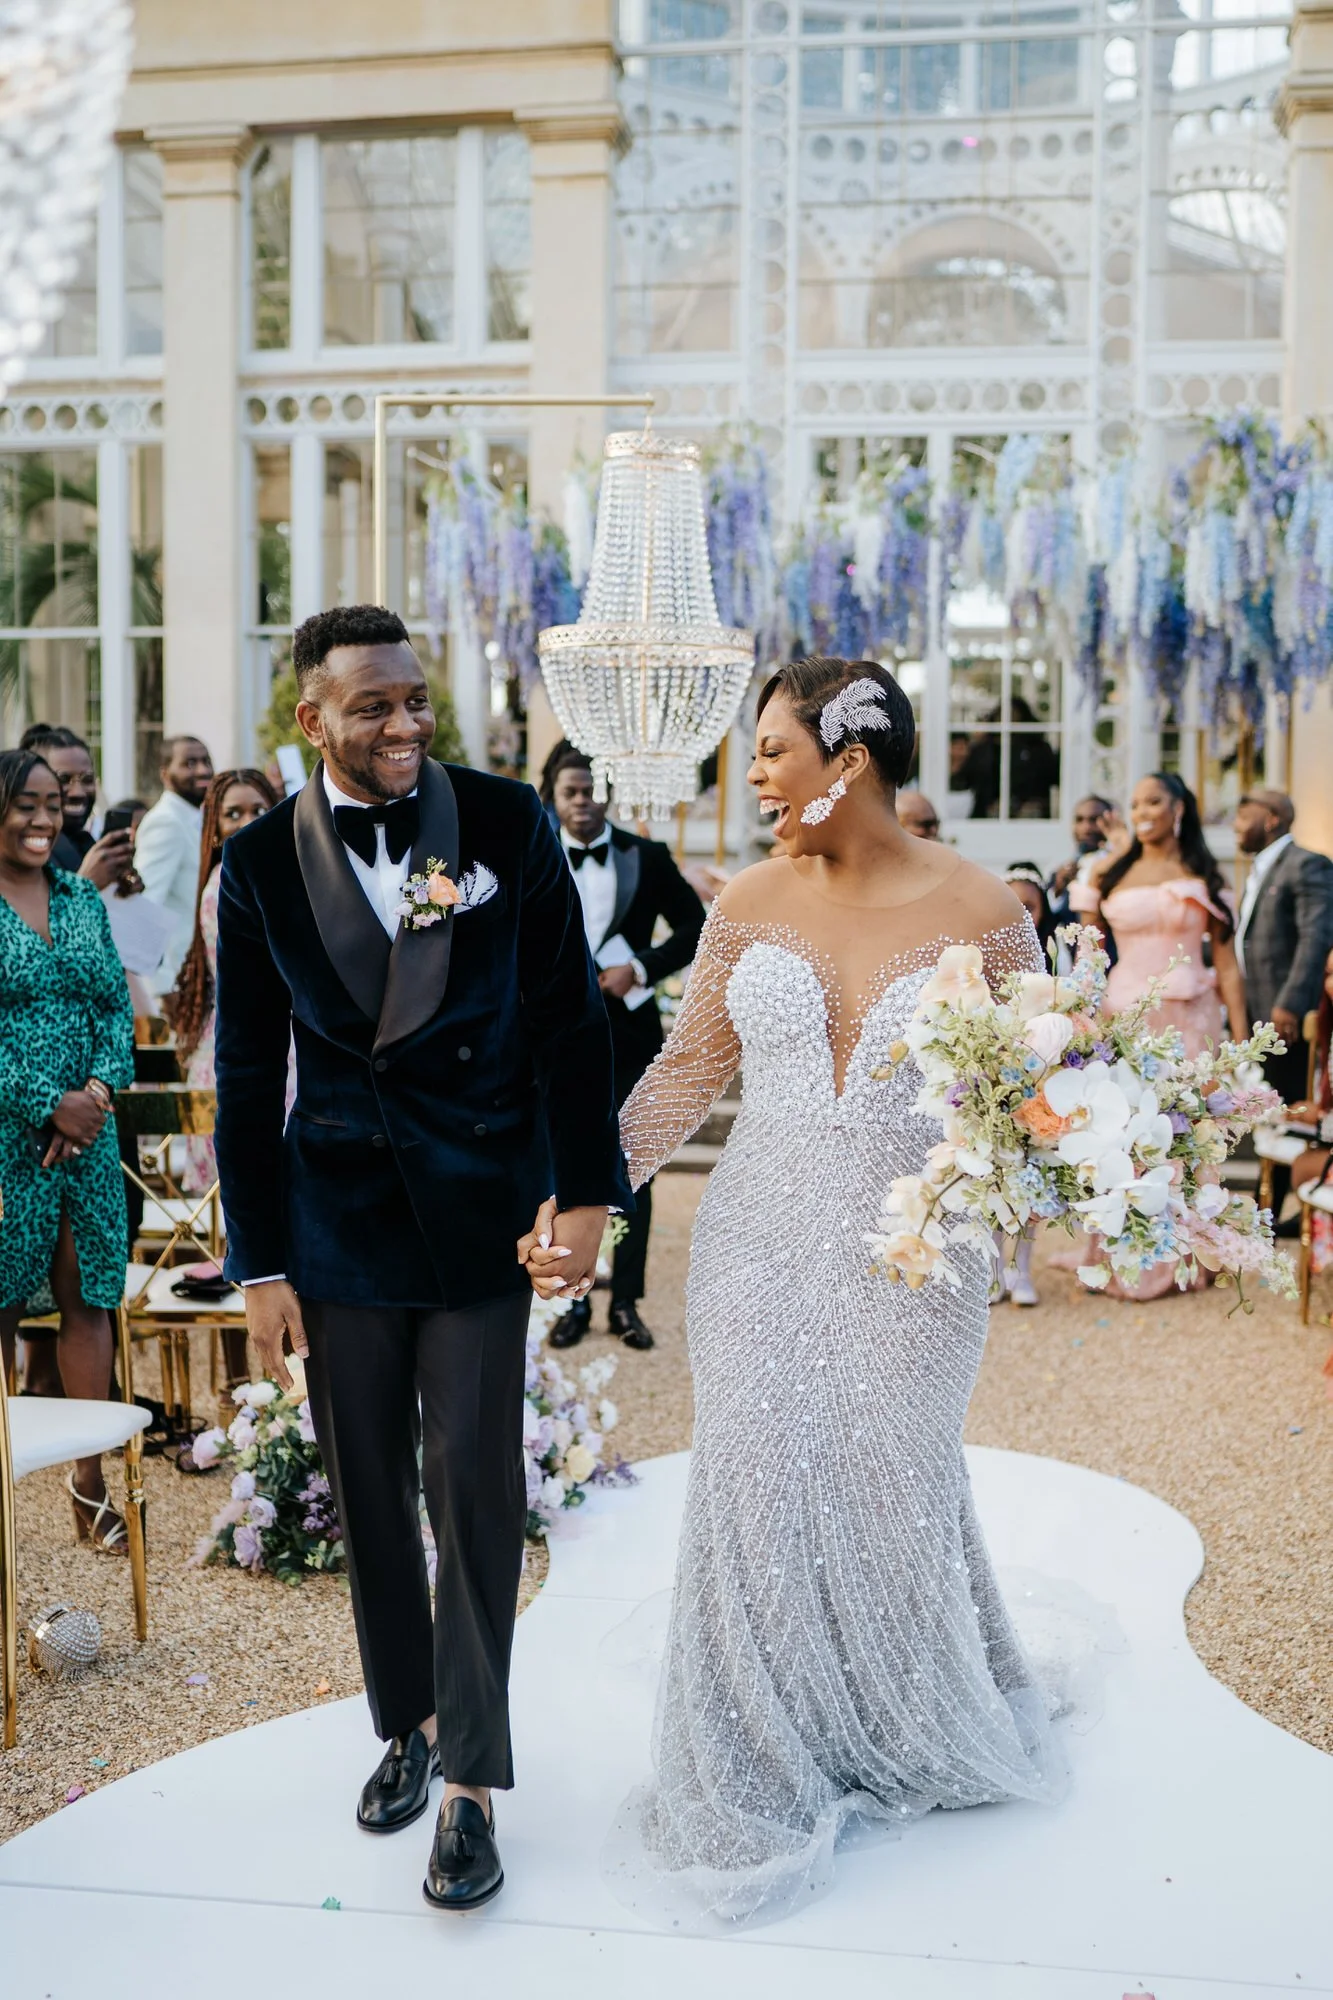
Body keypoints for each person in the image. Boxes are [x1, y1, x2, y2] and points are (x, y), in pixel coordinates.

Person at [526, 657, 1061, 1926]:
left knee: (891, 1473)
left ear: (852, 757)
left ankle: (896, 1718)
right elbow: (683, 1070)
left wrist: (1069, 1156)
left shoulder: (983, 909)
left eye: (771, 750)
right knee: (757, 1483)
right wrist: (584, 1203)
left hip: (914, 1259)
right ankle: (761, 1754)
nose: (752, 776)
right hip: (756, 1241)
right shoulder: (751, 898)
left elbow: (1041, 1092)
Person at [213, 603, 630, 1914]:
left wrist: (586, 1197)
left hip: (483, 1213)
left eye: (413, 699)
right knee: (367, 1493)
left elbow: (569, 1026)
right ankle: (408, 1723)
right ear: (310, 719)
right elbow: (240, 1078)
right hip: (335, 1220)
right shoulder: (258, 864)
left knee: (470, 1481)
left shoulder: (504, 823)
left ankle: (473, 1789)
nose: (402, 724)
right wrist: (260, 1263)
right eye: (372, 706)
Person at [0, 750, 135, 1551]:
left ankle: (89, 1486)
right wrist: (44, 1104)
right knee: (4, 1304)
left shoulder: (83, 897)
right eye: (25, 805)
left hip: (89, 1130)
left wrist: (95, 1097)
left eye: (53, 804)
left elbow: (116, 1009)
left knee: (85, 1299)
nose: (45, 819)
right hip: (9, 1133)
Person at [546, 747, 705, 1350]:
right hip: (555, 1041)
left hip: (628, 1039)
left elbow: (695, 928)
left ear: (607, 794)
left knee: (633, 1168)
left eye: (591, 790)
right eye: (571, 792)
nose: (582, 801)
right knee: (563, 1167)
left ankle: (627, 1304)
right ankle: (571, 1299)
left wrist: (639, 968)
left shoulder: (647, 856)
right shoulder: (534, 853)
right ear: (555, 797)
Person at [170, 767, 281, 1428]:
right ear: (215, 828)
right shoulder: (228, 883)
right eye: (232, 814)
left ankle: (263, 1385)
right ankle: (243, 1387)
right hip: (241, 1058)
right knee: (238, 1231)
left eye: (256, 810)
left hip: (286, 1052)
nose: (244, 824)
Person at [1070, 772, 1245, 1056]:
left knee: (1196, 1098)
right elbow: (1088, 958)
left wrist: (1241, 1045)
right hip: (1123, 1012)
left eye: (1153, 802)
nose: (1141, 813)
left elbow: (1227, 966)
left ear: (1178, 808)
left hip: (1192, 1014)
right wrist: (1080, 1020)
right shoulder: (1109, 874)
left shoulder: (1205, 876)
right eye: (1135, 805)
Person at [1233, 788, 1333, 1105]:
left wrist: (1289, 1003)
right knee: (1265, 1111)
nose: (1236, 825)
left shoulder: (1306, 864)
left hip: (1286, 1015)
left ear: (1272, 819)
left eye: (1244, 816)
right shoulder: (1259, 870)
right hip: (1256, 1010)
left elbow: (1316, 937)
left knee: (1288, 1107)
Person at [134, 734, 214, 995]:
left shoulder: (196, 818)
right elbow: (146, 905)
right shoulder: (165, 822)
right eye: (189, 763)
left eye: (205, 761)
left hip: (204, 975)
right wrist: (163, 988)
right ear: (165, 773)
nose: (202, 770)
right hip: (178, 982)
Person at [18, 722, 136, 890]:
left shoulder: (87, 845)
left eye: (87, 780)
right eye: (64, 779)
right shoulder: (20, 852)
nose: (78, 793)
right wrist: (87, 883)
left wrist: (120, 889)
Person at [1047, 794, 1115, 926]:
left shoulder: (1121, 868)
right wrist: (1058, 891)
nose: (1086, 828)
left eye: (1094, 820)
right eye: (1079, 820)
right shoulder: (1062, 873)